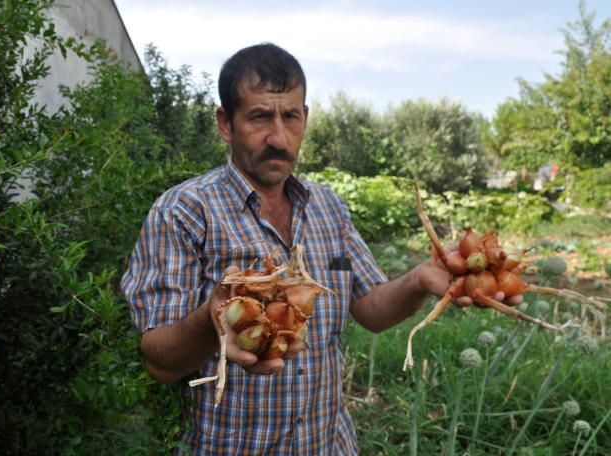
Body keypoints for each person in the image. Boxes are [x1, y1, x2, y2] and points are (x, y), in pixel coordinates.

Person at [121, 43, 521, 454]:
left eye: (290, 116)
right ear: (226, 123)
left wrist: (419, 278)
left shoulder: (328, 207)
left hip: (327, 444)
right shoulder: (184, 212)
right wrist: (214, 318)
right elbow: (159, 361)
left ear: (305, 118)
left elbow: (370, 308)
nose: (278, 137)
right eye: (260, 117)